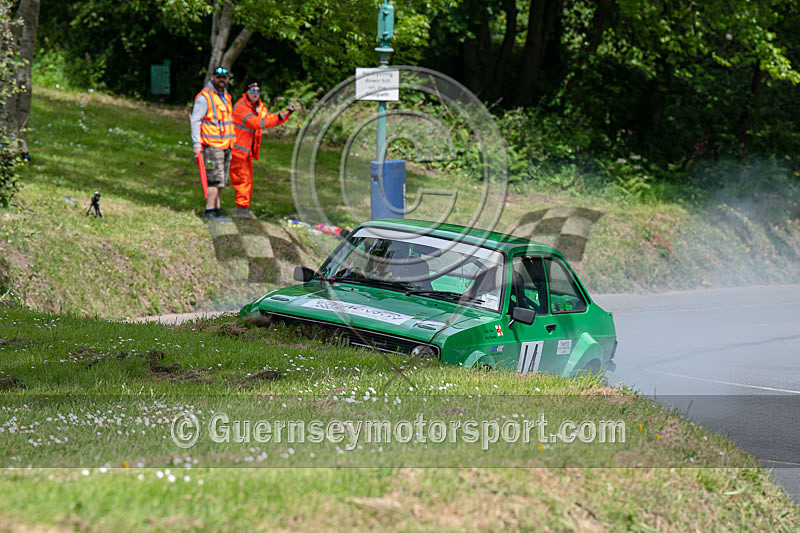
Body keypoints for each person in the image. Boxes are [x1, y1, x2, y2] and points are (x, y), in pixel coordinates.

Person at [230, 78, 300, 218]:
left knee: (248, 181)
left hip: (247, 151)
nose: (256, 93)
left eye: (258, 90)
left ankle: (244, 208)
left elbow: (269, 118)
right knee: (242, 180)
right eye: (252, 90)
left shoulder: (259, 107)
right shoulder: (241, 107)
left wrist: (286, 113)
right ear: (246, 91)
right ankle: (242, 209)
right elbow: (257, 123)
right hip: (238, 150)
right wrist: (279, 116)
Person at [190, 66, 235, 221]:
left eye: (225, 77)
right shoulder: (204, 97)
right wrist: (197, 144)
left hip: (227, 145)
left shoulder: (226, 96)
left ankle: (217, 209)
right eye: (218, 77)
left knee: (222, 180)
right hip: (212, 145)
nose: (222, 80)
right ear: (212, 78)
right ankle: (209, 211)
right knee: (214, 179)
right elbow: (195, 120)